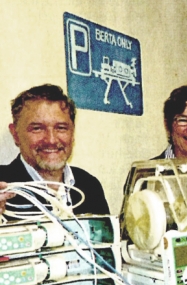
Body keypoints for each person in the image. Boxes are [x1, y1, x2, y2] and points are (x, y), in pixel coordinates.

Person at [0, 84, 109, 219]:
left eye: (61, 128)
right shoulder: (2, 188)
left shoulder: (89, 185)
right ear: (15, 134)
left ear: (72, 133)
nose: (51, 140)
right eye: (37, 128)